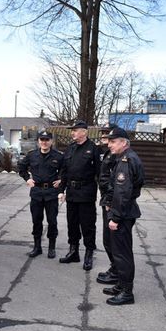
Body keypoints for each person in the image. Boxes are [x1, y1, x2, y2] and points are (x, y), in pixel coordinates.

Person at [103, 127, 144, 305]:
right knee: (119, 251)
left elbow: (123, 193)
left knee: (122, 254)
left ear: (123, 143)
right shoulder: (123, 158)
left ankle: (127, 292)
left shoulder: (127, 161)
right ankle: (121, 284)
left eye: (113, 141)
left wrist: (115, 218)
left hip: (123, 214)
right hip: (123, 211)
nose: (109, 145)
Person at [58, 120, 101, 270]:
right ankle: (73, 252)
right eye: (72, 130)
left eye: (75, 130)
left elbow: (100, 173)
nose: (72, 133)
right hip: (71, 193)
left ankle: (89, 254)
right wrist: (61, 190)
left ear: (84, 132)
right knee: (72, 224)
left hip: (86, 193)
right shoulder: (70, 148)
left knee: (88, 225)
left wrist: (104, 195)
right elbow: (64, 171)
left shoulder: (93, 149)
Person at [18, 129, 63, 258]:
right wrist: (27, 178)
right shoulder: (32, 155)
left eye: (47, 140)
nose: (44, 142)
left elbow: (64, 171)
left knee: (52, 221)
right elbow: (21, 167)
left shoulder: (58, 156)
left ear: (51, 141)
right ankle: (37, 247)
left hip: (51, 193)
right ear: (38, 141)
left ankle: (51, 248)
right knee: (36, 221)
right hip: (36, 192)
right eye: (42, 140)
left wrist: (60, 180)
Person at [97, 123, 119, 284]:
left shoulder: (116, 156)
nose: (103, 136)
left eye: (107, 134)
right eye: (103, 133)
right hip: (106, 200)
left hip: (111, 203)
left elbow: (115, 182)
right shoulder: (107, 153)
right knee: (107, 240)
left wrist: (109, 201)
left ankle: (117, 272)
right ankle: (114, 268)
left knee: (113, 240)